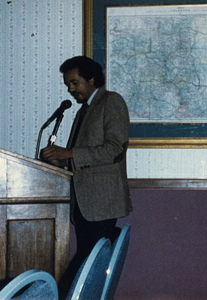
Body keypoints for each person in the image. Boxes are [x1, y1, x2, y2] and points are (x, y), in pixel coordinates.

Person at [41, 56, 133, 275]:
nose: (71, 89)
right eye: (68, 85)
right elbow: (83, 160)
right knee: (90, 266)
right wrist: (62, 161)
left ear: (92, 79)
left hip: (102, 202)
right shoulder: (84, 111)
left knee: (91, 268)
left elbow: (115, 149)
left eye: (75, 82)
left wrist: (70, 153)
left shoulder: (111, 102)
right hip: (84, 203)